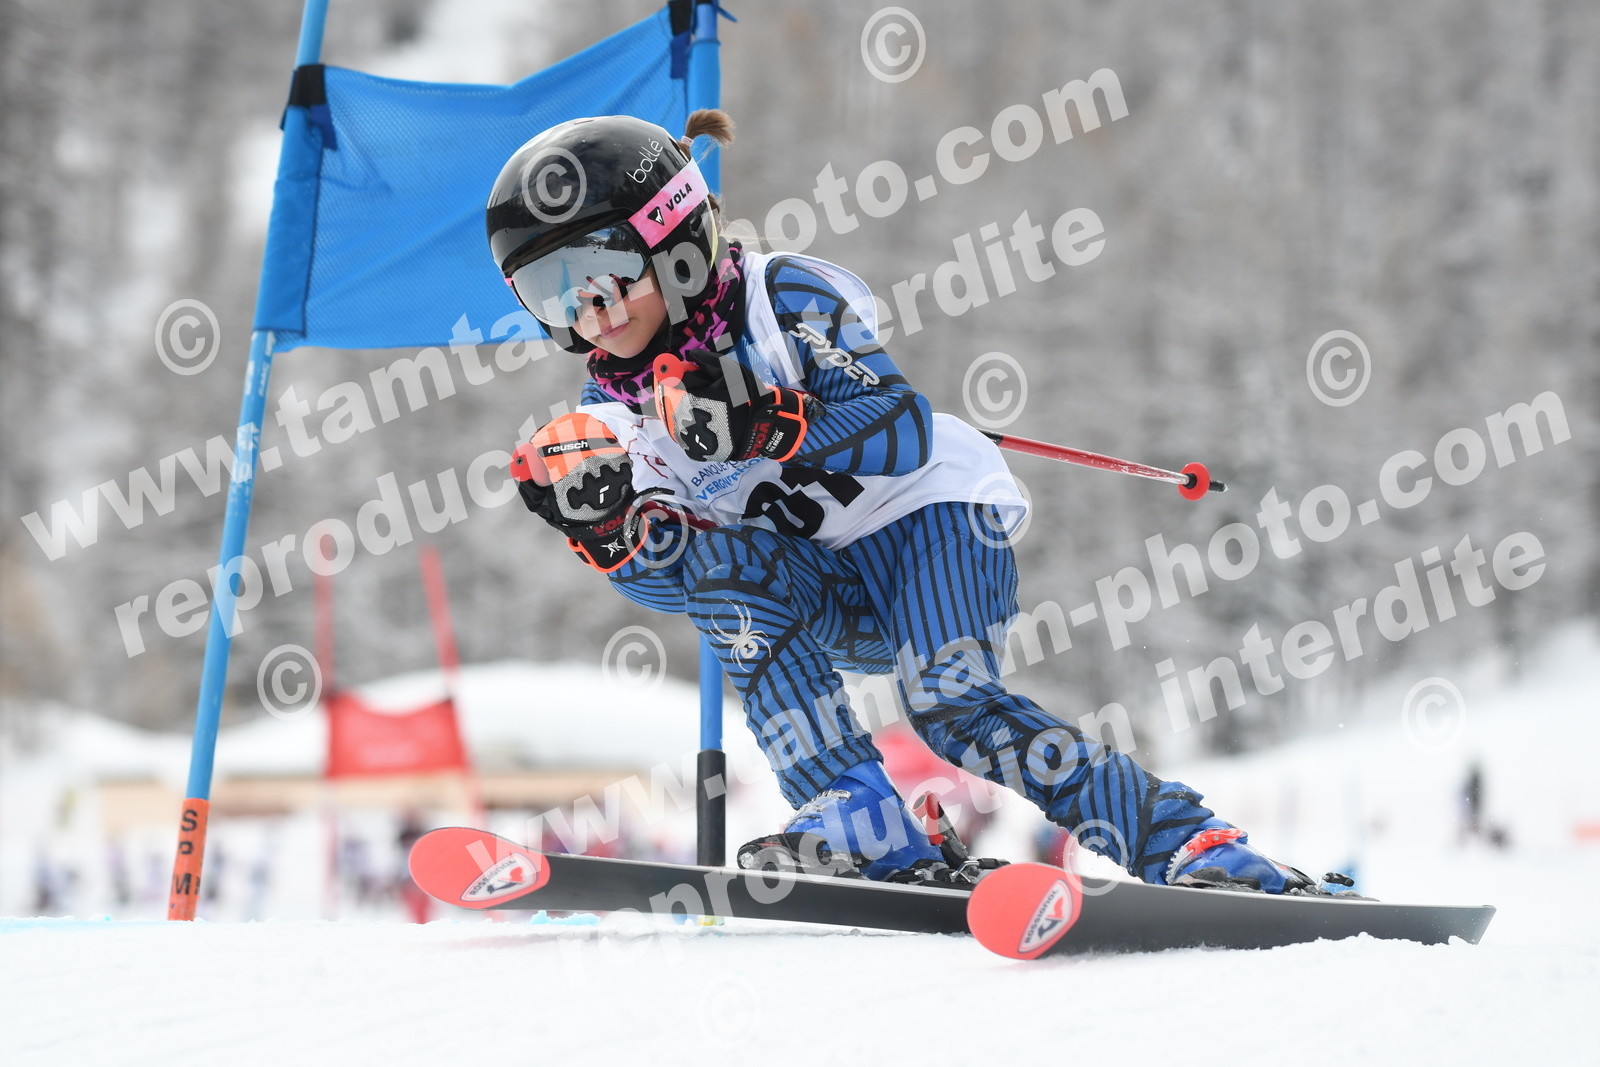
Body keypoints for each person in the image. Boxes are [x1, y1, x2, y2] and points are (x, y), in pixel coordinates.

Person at [487, 110, 1334, 892]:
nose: (589, 310)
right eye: (552, 291)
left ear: (673, 237)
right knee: (720, 571)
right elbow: (686, 583)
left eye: (600, 272)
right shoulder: (613, 418)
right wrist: (612, 531)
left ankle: (1189, 843)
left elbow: (899, 426)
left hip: (931, 524)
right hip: (832, 582)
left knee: (949, 705)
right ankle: (858, 815)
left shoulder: (780, 298)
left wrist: (769, 421)